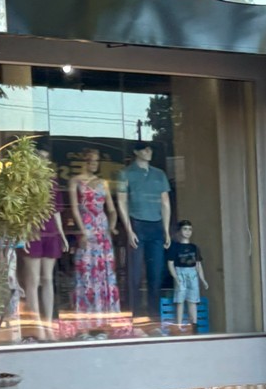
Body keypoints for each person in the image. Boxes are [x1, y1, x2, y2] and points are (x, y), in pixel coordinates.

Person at [116, 141, 172, 322]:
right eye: (145, 149)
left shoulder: (159, 174)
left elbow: (165, 203)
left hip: (156, 225)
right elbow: (122, 201)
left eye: (150, 149)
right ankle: (135, 315)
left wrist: (166, 230)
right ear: (136, 151)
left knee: (156, 273)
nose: (149, 152)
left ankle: (155, 316)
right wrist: (129, 229)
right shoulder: (125, 174)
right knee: (135, 274)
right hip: (136, 223)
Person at [69, 147, 121, 337]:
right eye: (91, 160)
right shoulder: (75, 181)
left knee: (103, 272)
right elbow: (74, 208)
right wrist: (82, 230)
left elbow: (112, 209)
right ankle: (85, 324)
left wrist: (112, 225)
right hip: (87, 226)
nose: (94, 164)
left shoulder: (103, 183)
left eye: (96, 161)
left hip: (102, 228)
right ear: (84, 161)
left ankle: (104, 324)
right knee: (86, 271)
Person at [20, 143, 69, 341]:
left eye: (46, 158)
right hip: (32, 232)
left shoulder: (52, 181)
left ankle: (48, 324)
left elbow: (56, 210)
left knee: (47, 279)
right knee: (32, 281)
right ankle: (36, 326)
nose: (43, 161)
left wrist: (62, 235)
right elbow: (20, 211)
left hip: (50, 232)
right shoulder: (25, 180)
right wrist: (22, 234)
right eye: (39, 157)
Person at [167, 219, 208, 331]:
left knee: (192, 301)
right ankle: (179, 325)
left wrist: (203, 279)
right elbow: (170, 264)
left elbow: (198, 265)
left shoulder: (194, 248)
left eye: (190, 229)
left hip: (192, 274)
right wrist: (175, 277)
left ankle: (194, 325)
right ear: (179, 231)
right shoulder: (174, 247)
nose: (188, 231)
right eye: (185, 229)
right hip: (180, 273)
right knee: (180, 301)